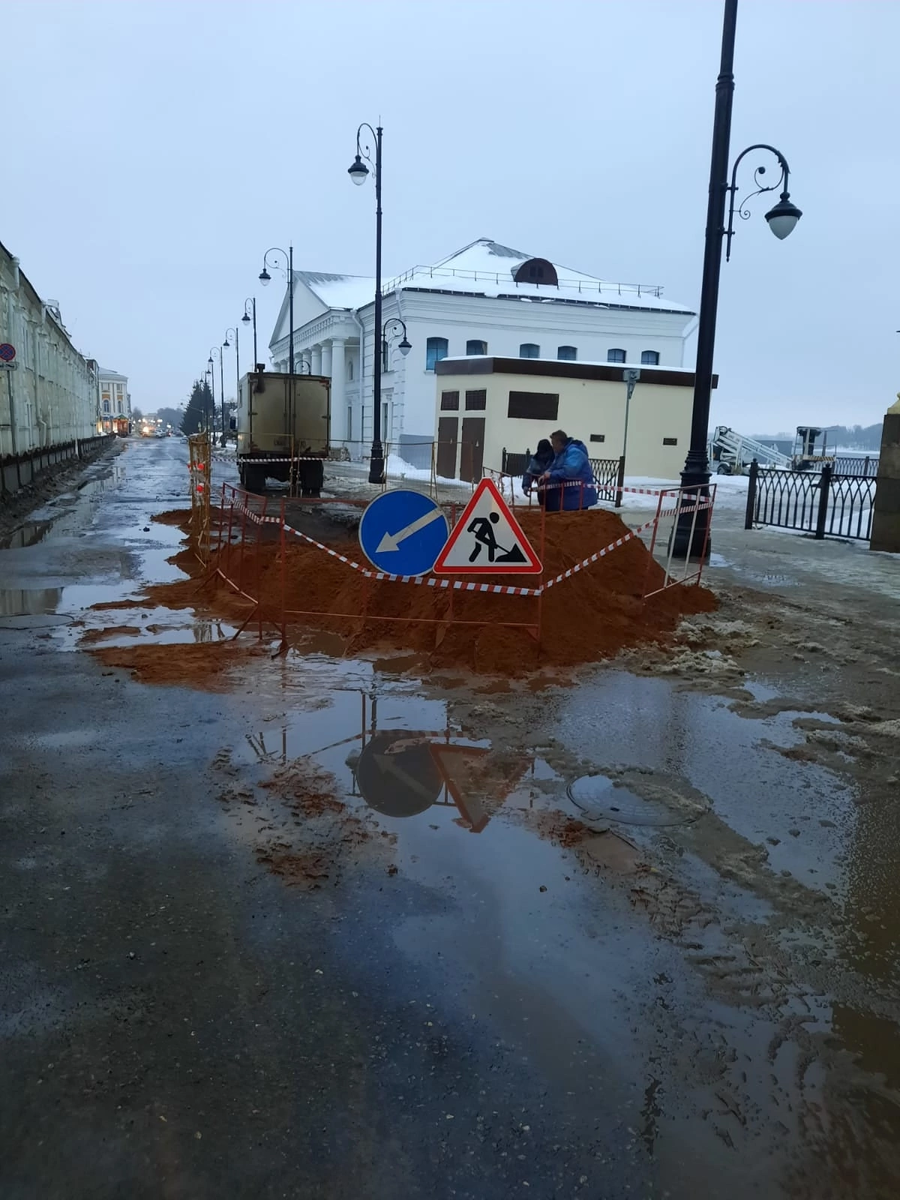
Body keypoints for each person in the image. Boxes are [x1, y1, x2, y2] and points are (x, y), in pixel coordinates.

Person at [541, 429, 598, 512]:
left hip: (578, 497)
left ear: (559, 443)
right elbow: (554, 466)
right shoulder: (561, 453)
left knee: (576, 522)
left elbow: (569, 472)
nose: (552, 447)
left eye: (553, 444)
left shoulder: (574, 452)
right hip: (570, 495)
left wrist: (551, 474)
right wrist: (546, 474)